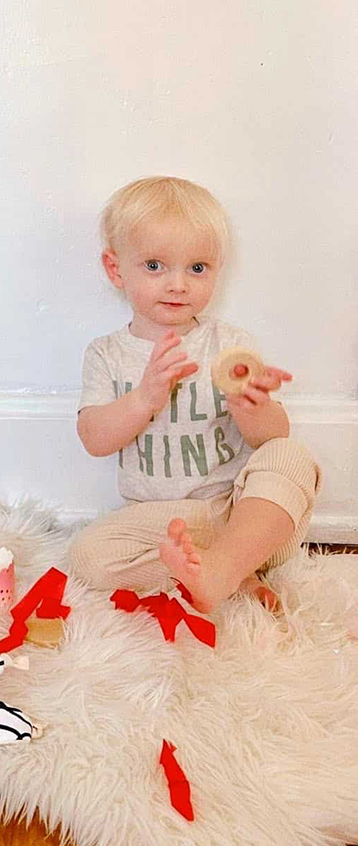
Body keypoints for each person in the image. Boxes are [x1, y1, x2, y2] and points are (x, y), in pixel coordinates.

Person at [68, 176, 320, 613]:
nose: (178, 284)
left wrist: (252, 405)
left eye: (197, 268)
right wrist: (145, 397)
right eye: (154, 266)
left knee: (292, 457)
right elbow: (94, 439)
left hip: (237, 512)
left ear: (216, 271)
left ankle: (226, 562)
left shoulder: (230, 343)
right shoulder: (107, 353)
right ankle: (227, 574)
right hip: (157, 523)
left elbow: (271, 438)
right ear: (116, 270)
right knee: (87, 557)